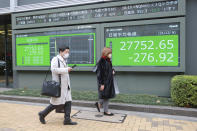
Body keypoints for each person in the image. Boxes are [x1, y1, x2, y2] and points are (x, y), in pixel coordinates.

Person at [38, 46, 77, 125]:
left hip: (66, 86)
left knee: (68, 101)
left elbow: (63, 72)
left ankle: (67, 119)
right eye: (66, 52)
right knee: (55, 104)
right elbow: (54, 69)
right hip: (59, 86)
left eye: (68, 52)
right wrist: (66, 70)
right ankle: (42, 114)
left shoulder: (64, 60)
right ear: (61, 51)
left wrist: (67, 69)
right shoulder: (55, 59)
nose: (67, 54)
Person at [95, 47, 116, 116]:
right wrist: (102, 84)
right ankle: (106, 111)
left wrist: (113, 71)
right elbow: (100, 74)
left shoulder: (108, 60)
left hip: (109, 82)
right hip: (104, 82)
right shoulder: (102, 61)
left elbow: (110, 69)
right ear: (106, 53)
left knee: (105, 95)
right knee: (106, 97)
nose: (111, 55)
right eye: (110, 53)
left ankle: (99, 104)